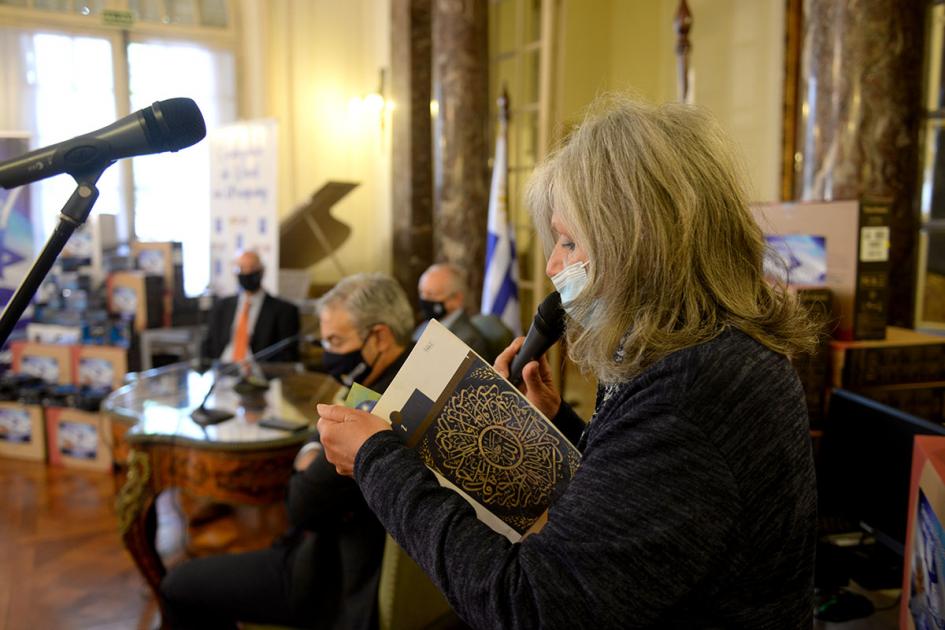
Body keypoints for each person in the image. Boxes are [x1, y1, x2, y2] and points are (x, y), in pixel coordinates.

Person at [316, 95, 821, 628]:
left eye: (568, 241)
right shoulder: (705, 352)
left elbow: (528, 607)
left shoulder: (690, 392)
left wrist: (378, 459)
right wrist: (557, 426)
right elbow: (634, 513)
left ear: (637, 245)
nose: (554, 264)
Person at [161, 273, 416, 629]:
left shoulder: (374, 409)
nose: (328, 354)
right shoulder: (417, 381)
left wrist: (307, 453)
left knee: (178, 584)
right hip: (358, 562)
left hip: (327, 579)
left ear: (380, 337)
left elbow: (300, 504)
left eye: (336, 341)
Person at [202, 250, 301, 364]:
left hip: (260, 375)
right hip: (223, 371)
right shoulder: (222, 307)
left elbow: (287, 354)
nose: (247, 273)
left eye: (252, 268)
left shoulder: (285, 310)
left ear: (262, 271)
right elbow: (208, 345)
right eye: (242, 269)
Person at [414, 262, 491, 359]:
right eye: (421, 292)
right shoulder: (423, 327)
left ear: (457, 298)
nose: (424, 299)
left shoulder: (467, 340)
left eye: (431, 294)